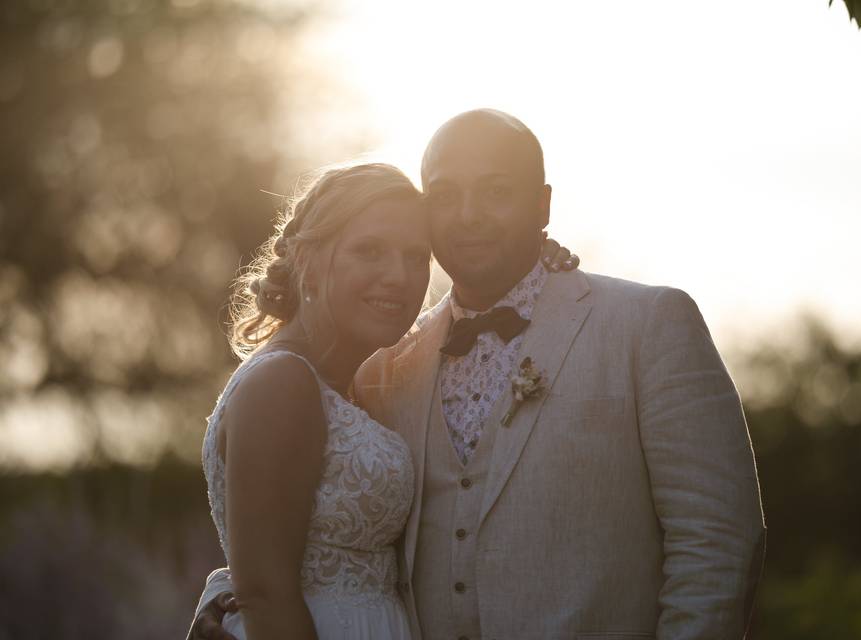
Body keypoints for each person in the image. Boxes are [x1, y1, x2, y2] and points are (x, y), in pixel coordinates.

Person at [191, 110, 765, 640]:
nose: (468, 216)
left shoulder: (649, 326)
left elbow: (716, 544)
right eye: (445, 195)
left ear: (542, 205)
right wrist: (236, 593)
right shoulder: (388, 366)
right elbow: (300, 536)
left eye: (496, 192)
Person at [193, 161, 575, 640]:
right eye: (369, 251)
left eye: (416, 257)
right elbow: (268, 593)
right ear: (308, 259)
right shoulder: (282, 383)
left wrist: (532, 268)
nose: (398, 276)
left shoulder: (355, 381)